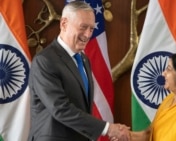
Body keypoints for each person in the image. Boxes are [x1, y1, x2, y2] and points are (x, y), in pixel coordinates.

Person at [28, 1, 130, 141]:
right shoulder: (45, 61)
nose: (87, 35)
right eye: (83, 27)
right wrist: (108, 129)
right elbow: (60, 108)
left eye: (91, 29)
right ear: (64, 24)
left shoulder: (83, 59)